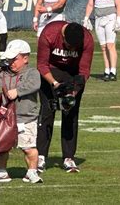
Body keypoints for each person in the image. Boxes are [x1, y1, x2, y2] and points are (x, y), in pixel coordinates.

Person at [36, 21, 94, 173]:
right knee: (46, 112)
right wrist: (55, 84)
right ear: (63, 37)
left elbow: (84, 70)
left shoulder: (87, 39)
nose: (72, 50)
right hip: (51, 71)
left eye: (75, 47)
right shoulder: (49, 33)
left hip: (73, 74)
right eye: (69, 46)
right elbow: (42, 65)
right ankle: (41, 156)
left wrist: (72, 92)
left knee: (71, 113)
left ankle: (69, 157)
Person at [0, 39, 43, 184]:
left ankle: (32, 172)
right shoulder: (3, 72)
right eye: (9, 59)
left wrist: (18, 91)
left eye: (14, 59)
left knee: (28, 148)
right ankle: (1, 172)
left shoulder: (32, 73)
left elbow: (34, 85)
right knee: (1, 146)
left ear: (25, 58)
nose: (11, 62)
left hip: (25, 118)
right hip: (5, 118)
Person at [83, 0, 120, 81]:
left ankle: (113, 71)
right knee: (103, 46)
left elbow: (118, 4)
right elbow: (90, 3)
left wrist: (118, 19)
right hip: (98, 17)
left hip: (111, 16)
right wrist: (86, 17)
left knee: (110, 45)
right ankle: (106, 70)